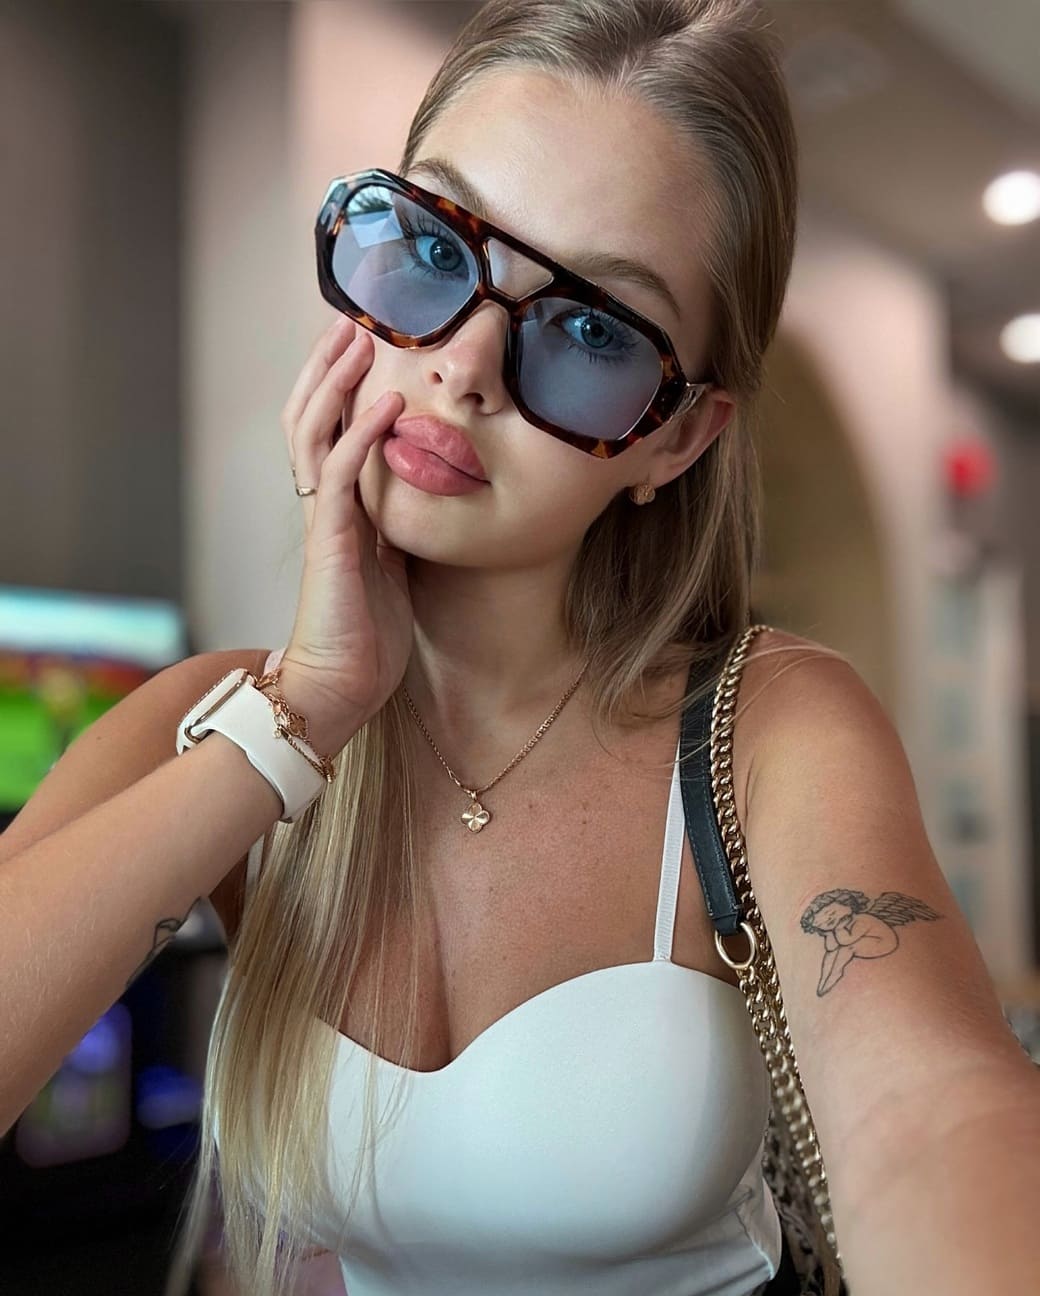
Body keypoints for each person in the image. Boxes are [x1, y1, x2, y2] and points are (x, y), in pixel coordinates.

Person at [1, 2, 1036, 1295]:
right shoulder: (221, 720)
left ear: (675, 439)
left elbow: (932, 1105)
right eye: (435, 247)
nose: (464, 366)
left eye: (593, 328)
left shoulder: (770, 726)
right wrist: (303, 711)